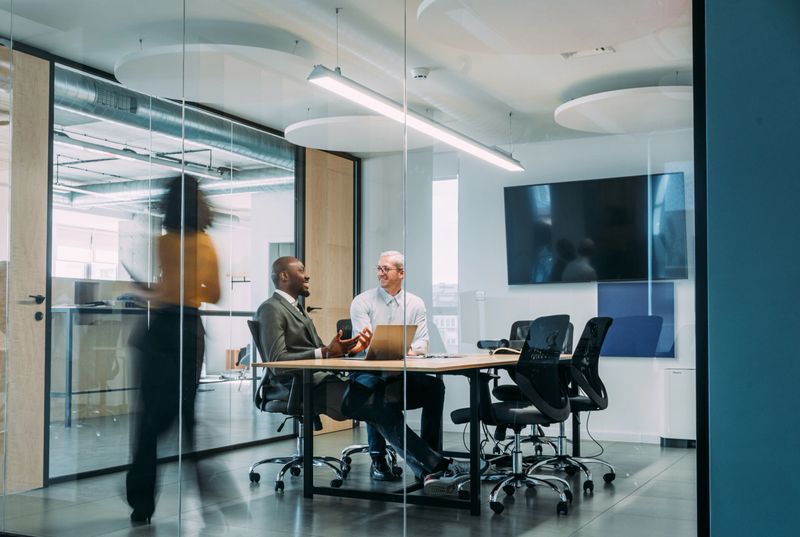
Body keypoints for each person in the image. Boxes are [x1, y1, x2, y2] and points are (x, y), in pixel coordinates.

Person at [126, 175, 221, 524]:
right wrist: (191, 287)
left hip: (161, 329)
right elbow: (214, 294)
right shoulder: (206, 244)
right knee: (186, 415)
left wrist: (144, 291)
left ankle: (142, 502)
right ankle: (206, 492)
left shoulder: (163, 242)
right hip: (189, 330)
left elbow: (163, 293)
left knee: (149, 420)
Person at [349, 250, 445, 482]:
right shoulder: (362, 301)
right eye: (378, 268)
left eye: (386, 269)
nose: (380, 273)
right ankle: (378, 459)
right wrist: (405, 349)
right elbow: (368, 345)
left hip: (399, 374)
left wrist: (406, 350)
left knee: (435, 388)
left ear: (401, 273)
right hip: (367, 373)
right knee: (373, 389)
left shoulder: (415, 303)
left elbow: (422, 343)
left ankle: (431, 454)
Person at [255, 256, 370, 416]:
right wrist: (325, 352)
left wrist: (348, 351)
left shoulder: (297, 308)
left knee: (377, 397)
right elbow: (277, 362)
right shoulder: (271, 308)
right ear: (284, 276)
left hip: (316, 380)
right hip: (295, 385)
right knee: (374, 405)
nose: (307, 276)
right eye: (301, 270)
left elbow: (320, 350)